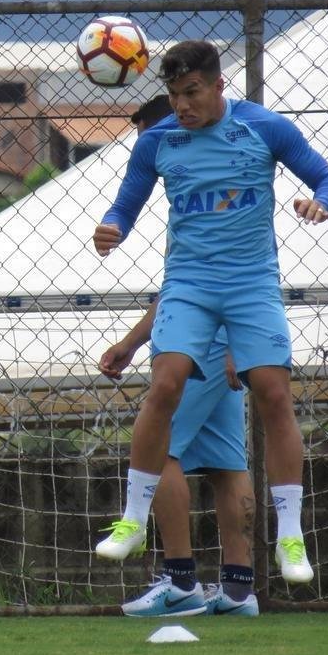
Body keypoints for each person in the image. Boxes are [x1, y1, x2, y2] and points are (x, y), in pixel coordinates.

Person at [92, 41, 328, 585]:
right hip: (189, 283)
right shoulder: (158, 142)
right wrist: (112, 229)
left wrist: (319, 203)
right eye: (173, 95)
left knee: (274, 393)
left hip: (251, 283)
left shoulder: (266, 128)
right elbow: (125, 205)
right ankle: (133, 520)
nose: (182, 105)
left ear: (218, 86)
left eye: (192, 93)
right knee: (165, 385)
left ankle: (291, 536)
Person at [101, 94, 257, 616]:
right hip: (218, 341)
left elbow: (236, 278)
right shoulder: (199, 196)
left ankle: (180, 583)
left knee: (159, 450)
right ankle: (238, 591)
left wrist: (236, 343)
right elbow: (183, 289)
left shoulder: (211, 187)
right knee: (225, 462)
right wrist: (131, 341)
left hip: (201, 345)